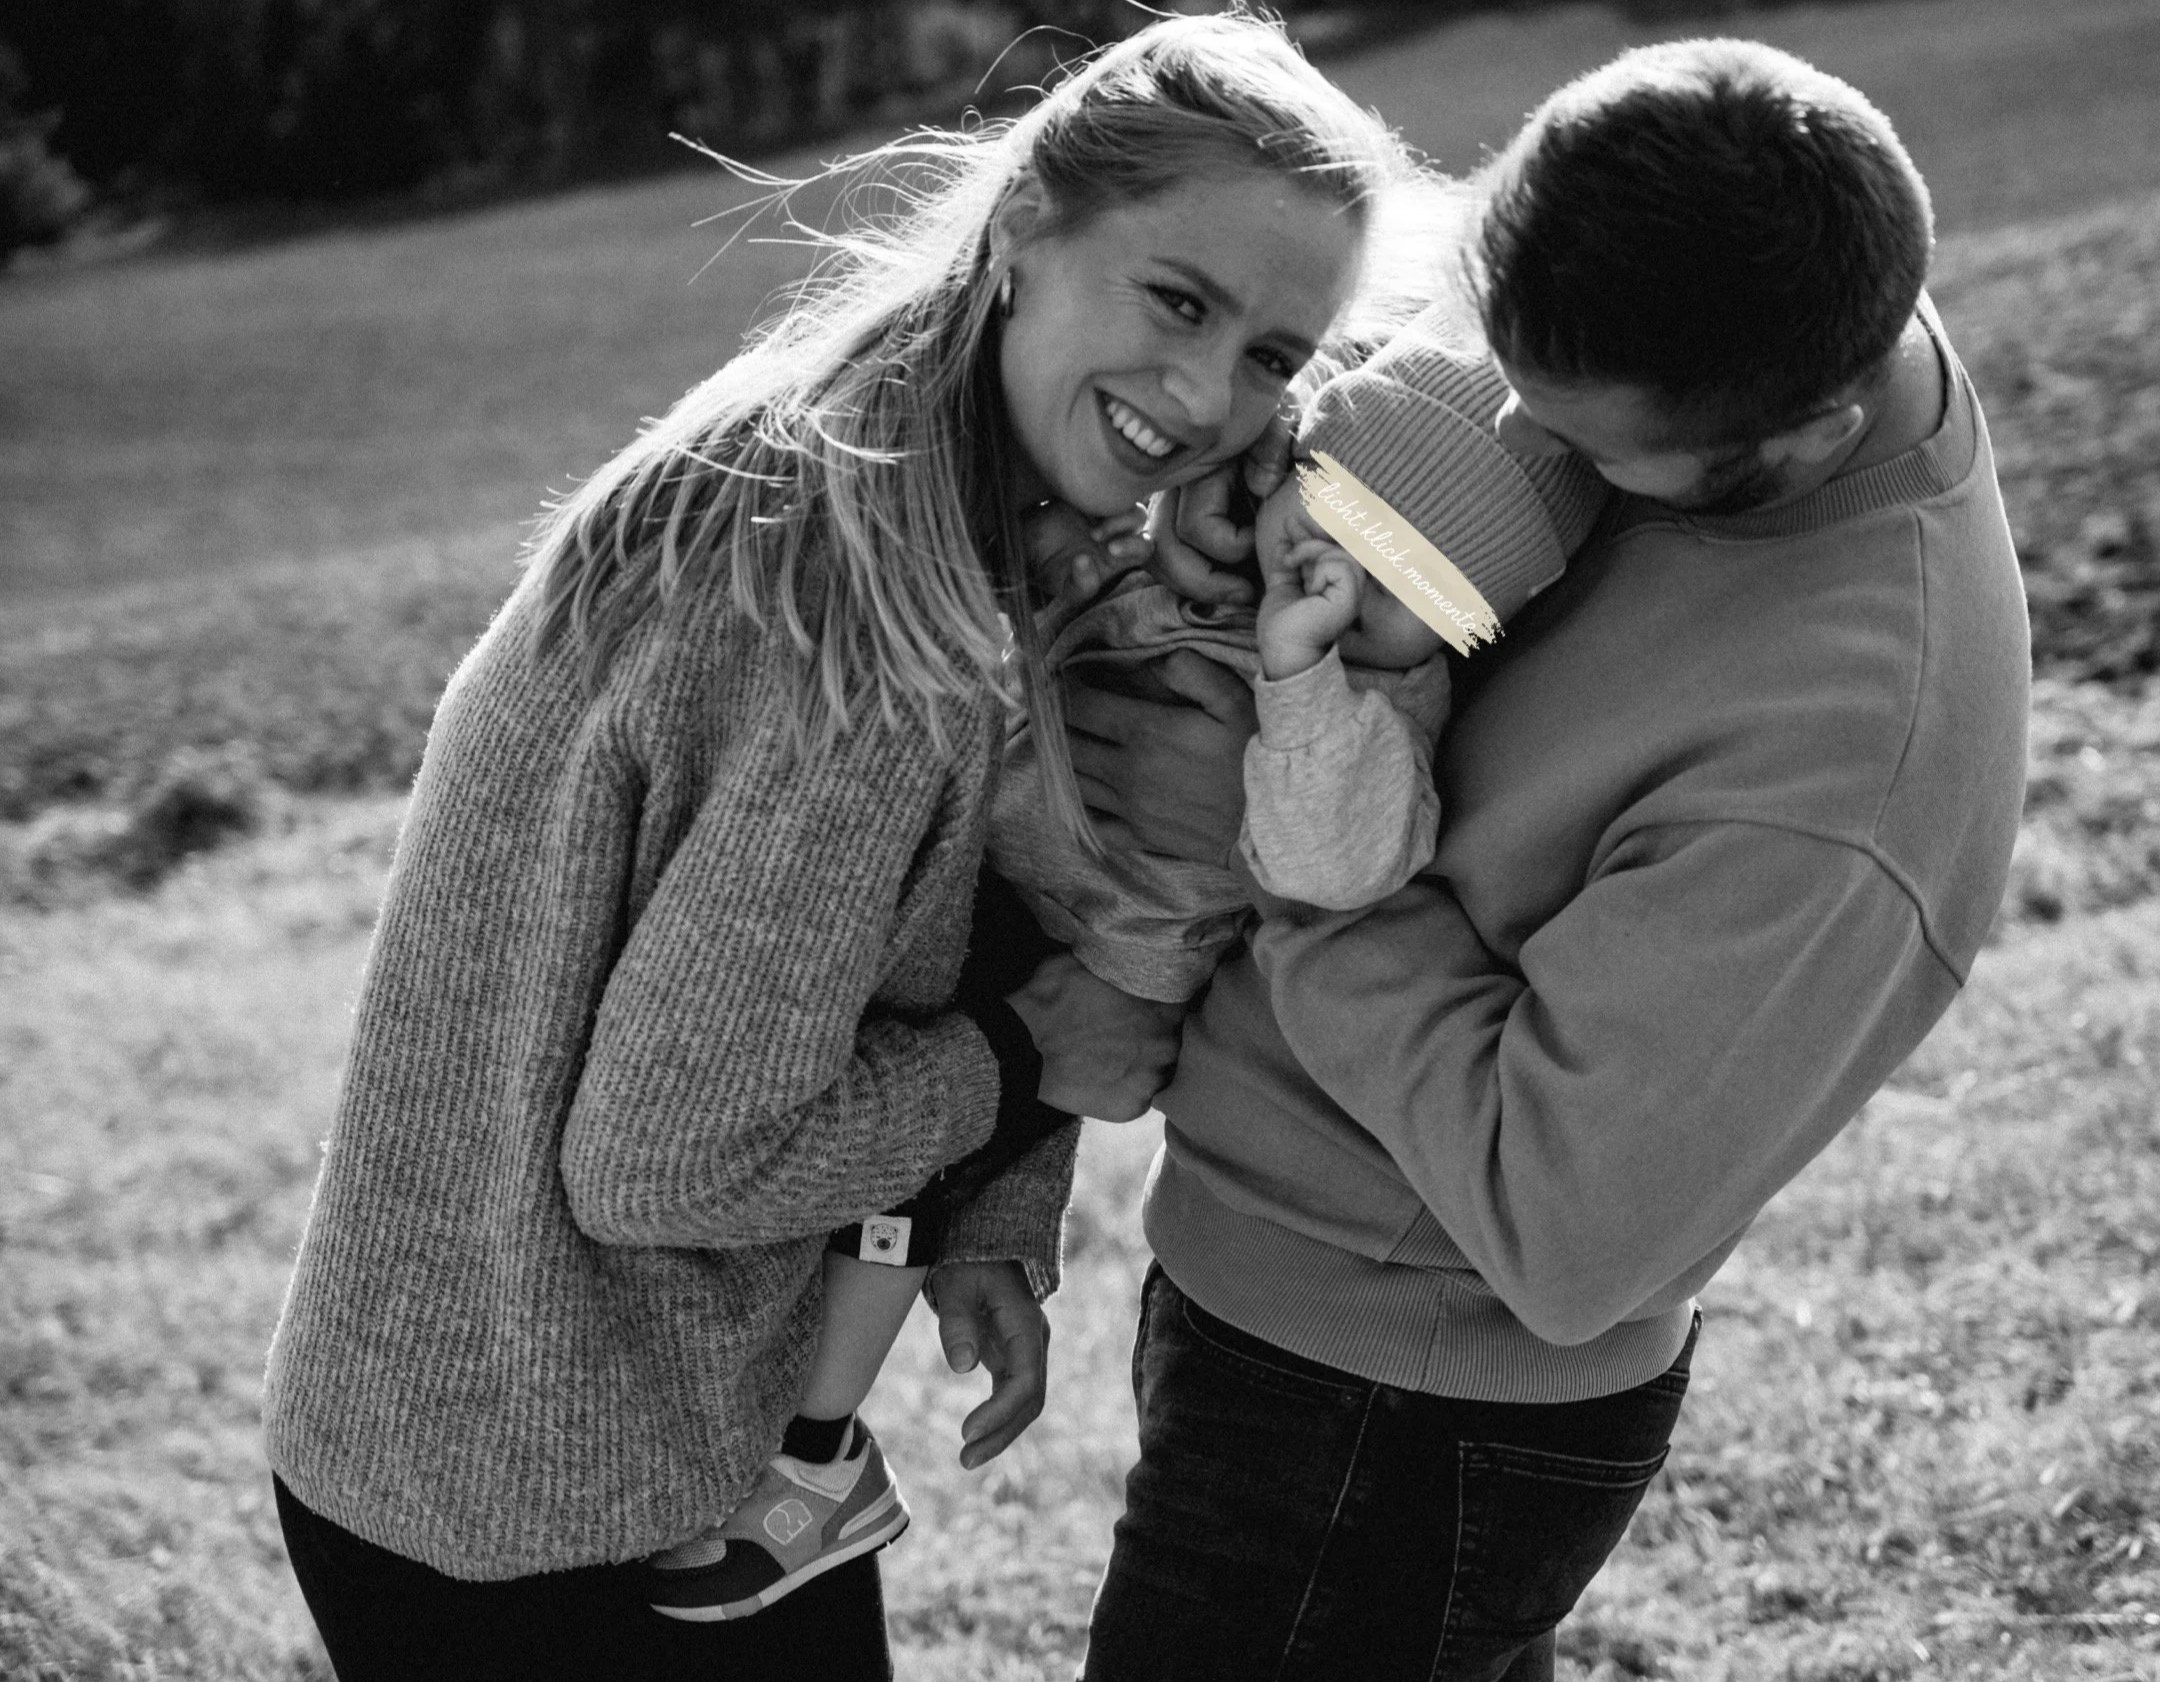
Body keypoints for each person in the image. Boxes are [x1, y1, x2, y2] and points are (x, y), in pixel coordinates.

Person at [258, 13, 1434, 1680]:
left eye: (1270, 354)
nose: (1208, 395)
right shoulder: (857, 616)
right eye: (1178, 299)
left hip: (535, 1429)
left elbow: (938, 920)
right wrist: (1028, 1073)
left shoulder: (893, 462)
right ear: (1027, 225)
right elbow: (671, 1157)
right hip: (540, 1509)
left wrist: (985, 1212)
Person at [1064, 39, 2031, 1681]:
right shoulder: (1687, 294)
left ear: (1792, 446)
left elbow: (1577, 1230)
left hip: (1395, 1410)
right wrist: (1286, 488)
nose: (1515, 425)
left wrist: (1275, 826)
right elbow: (1443, 399)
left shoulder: (1847, 770)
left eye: (1574, 434)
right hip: (1272, 1287)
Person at [990, 312, 1607, 1007]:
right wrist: (1054, 563)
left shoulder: (1385, 711)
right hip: (971, 838)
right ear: (1289, 471)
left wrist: (1298, 668)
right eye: (1336, 518)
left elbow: (1339, 871)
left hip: (1096, 959)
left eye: (1410, 585)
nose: (1341, 580)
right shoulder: (1205, 543)